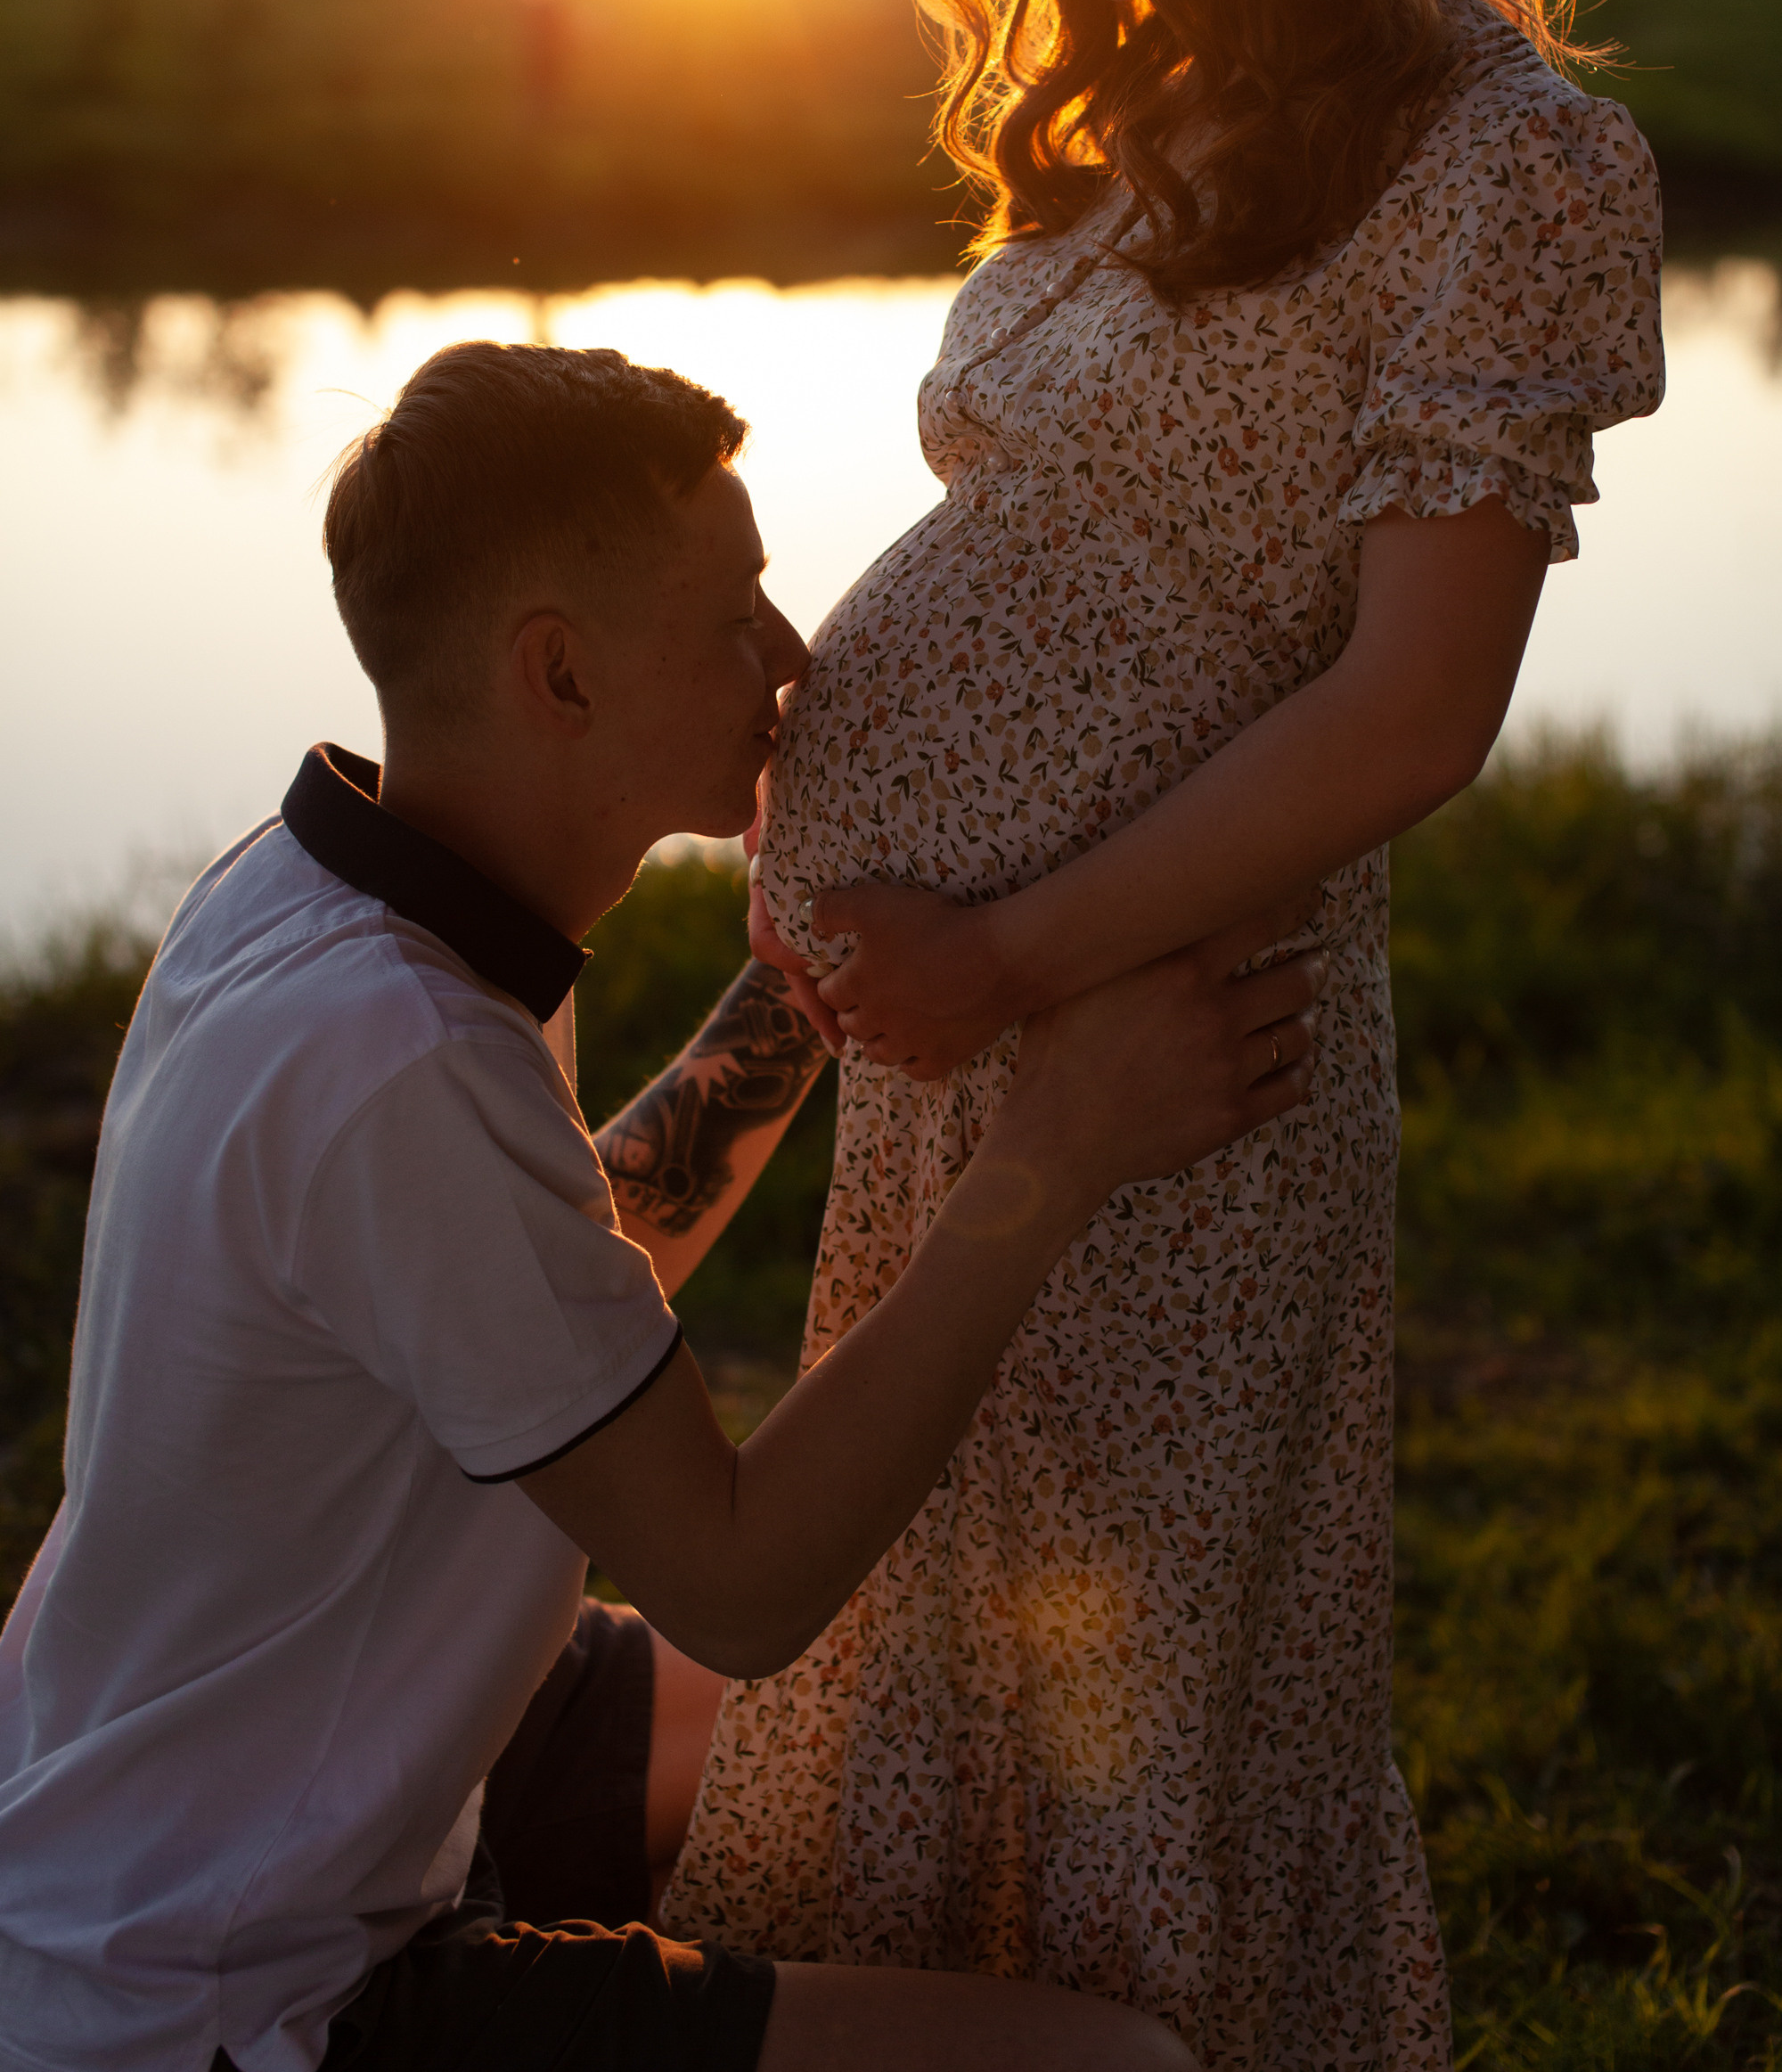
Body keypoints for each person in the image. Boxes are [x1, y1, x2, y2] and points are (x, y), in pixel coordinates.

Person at [662, 0, 1665, 2069]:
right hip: (963, 1070)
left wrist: (1000, 948)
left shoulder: (1508, 164)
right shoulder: (1124, 125)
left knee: (1130, 1739)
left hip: (1164, 1083)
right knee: (925, 1679)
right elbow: (1068, 598)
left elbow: (1409, 712)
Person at [0, 340, 1324, 2072]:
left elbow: (539, 1276)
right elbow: (737, 1577)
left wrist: (793, 1010)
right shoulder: (394, 1053)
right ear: (558, 675)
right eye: (735, 614)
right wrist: (1054, 1149)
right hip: (226, 1994)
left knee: (872, 1742)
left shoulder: (322, 897)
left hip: (261, 1765)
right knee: (1118, 2069)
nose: (792, 660)